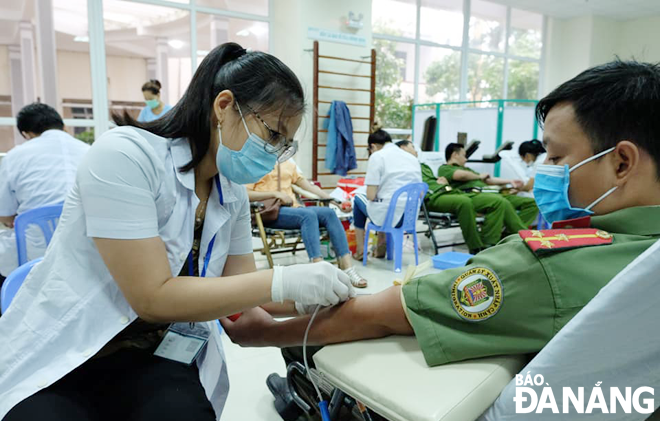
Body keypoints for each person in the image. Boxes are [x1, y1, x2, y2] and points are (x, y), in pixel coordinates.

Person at [221, 60, 660, 384]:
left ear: (621, 162)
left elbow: (377, 315)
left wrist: (263, 331)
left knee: (341, 215)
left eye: (557, 156)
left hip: (365, 224)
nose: (545, 168)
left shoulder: (547, 264)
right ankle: (336, 264)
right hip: (402, 216)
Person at [0, 43, 355, 421]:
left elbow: (243, 289)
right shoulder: (125, 156)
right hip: (71, 351)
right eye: (272, 134)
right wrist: (285, 280)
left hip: (153, 352)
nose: (273, 151)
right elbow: (152, 297)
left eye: (284, 144)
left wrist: (313, 295)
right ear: (223, 106)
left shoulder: (229, 192)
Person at [0, 103, 90, 279]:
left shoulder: (15, 156)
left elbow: (4, 214)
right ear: (64, 126)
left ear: (26, 134)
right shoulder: (89, 150)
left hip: (34, 255)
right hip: (88, 248)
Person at [246, 160, 368, 288]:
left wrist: (336, 202)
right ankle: (319, 270)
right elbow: (246, 193)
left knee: (329, 213)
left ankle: (347, 268)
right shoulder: (256, 163)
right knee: (308, 215)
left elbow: (310, 187)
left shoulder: (288, 163)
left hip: (293, 209)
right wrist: (275, 194)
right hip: (268, 212)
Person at [397, 140, 531, 254]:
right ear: (403, 148)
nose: (416, 150)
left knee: (500, 202)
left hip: (448, 192)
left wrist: (441, 181)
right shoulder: (405, 166)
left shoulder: (422, 165)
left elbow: (433, 179)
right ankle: (477, 247)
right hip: (432, 196)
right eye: (412, 147)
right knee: (468, 201)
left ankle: (497, 241)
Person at [352, 129, 422, 260]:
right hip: (409, 216)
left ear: (372, 146)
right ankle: (380, 244)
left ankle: (361, 250)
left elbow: (371, 195)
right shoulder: (412, 158)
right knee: (387, 202)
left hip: (387, 216)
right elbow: (420, 192)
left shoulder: (377, 156)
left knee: (358, 199)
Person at [439, 143, 539, 228]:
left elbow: (488, 179)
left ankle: (508, 233)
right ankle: (518, 233)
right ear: (455, 155)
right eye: (464, 156)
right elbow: (461, 176)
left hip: (492, 193)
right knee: (501, 203)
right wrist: (478, 176)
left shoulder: (468, 170)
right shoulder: (445, 168)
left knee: (532, 203)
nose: (465, 159)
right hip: (475, 196)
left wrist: (510, 181)